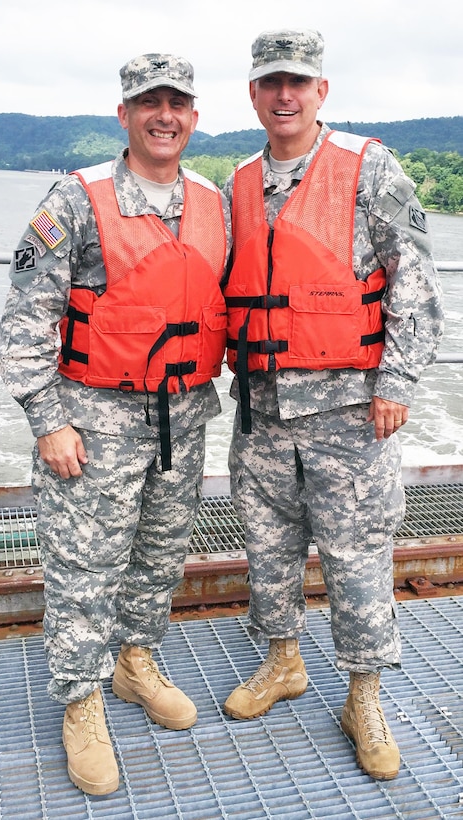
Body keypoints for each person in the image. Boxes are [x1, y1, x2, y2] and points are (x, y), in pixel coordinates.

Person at [0, 53, 231, 795]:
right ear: (123, 114)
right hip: (91, 423)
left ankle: (134, 664)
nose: (164, 115)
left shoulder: (212, 200)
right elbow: (24, 324)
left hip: (183, 418)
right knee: (82, 570)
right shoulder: (75, 197)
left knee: (159, 556)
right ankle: (80, 700)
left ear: (194, 117)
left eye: (177, 103)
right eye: (148, 102)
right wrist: (48, 421)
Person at [221, 29, 444, 780]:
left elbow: (413, 280)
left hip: (350, 407)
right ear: (253, 94)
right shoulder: (239, 180)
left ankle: (363, 695)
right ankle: (283, 663)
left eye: (299, 82)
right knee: (268, 547)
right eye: (270, 82)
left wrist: (397, 383)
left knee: (356, 557)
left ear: (321, 91)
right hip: (260, 408)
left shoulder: (367, 165)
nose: (284, 95)